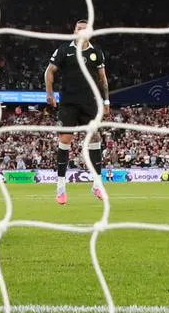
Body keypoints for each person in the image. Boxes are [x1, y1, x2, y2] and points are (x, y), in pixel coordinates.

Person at [45, 19, 109, 205]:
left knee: (95, 138)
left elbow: (103, 79)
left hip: (90, 102)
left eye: (84, 29)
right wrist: (49, 93)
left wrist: (106, 100)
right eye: (78, 29)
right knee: (65, 140)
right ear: (74, 31)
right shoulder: (64, 50)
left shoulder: (96, 53)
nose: (81, 31)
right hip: (68, 103)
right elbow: (49, 71)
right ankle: (61, 187)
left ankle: (97, 184)